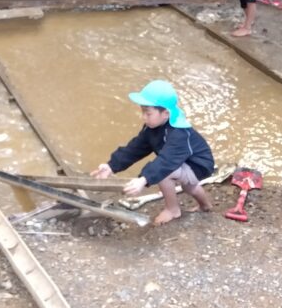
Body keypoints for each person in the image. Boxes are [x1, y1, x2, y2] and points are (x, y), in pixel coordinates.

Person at [91, 80, 215, 225]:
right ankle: (206, 206)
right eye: (142, 112)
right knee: (189, 186)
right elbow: (135, 148)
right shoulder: (151, 127)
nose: (143, 117)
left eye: (148, 113)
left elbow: (166, 161)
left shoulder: (179, 133)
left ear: (165, 114)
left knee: (164, 174)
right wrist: (111, 166)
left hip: (198, 164)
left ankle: (172, 210)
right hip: (184, 162)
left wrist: (144, 179)